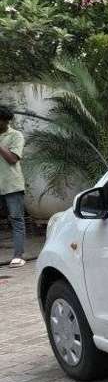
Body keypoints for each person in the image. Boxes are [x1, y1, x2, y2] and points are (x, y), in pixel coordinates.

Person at [0, 105, 26, 268]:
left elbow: (12, 159)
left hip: (12, 185)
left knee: (16, 220)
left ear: (5, 121)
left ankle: (18, 256)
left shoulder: (16, 135)